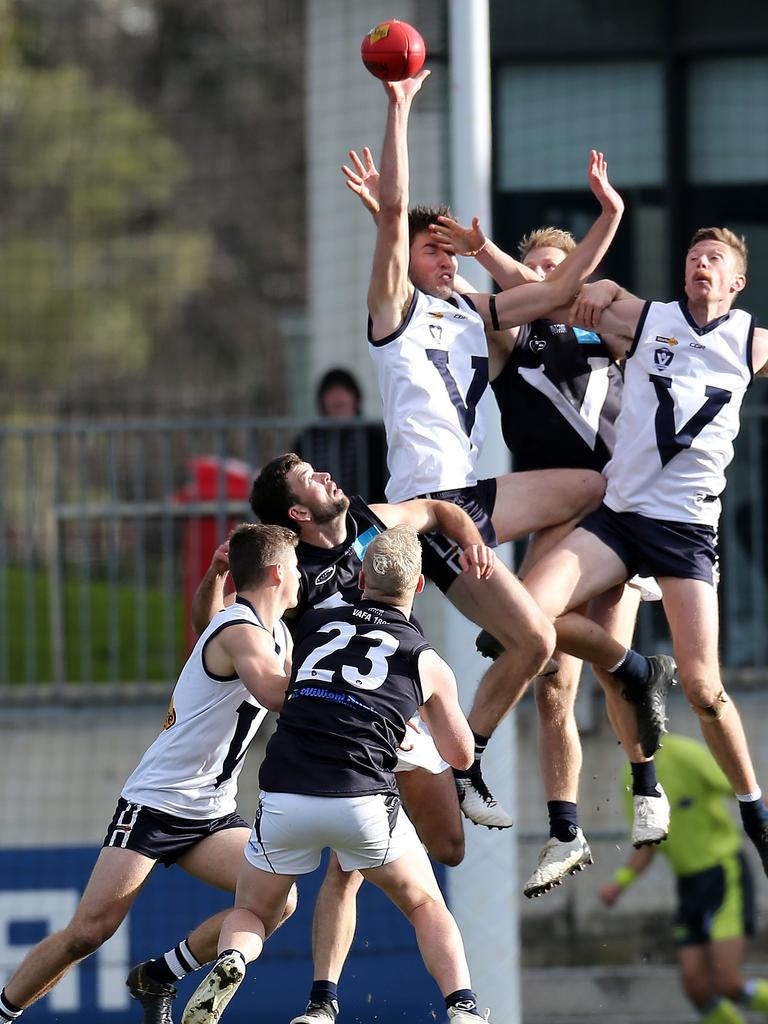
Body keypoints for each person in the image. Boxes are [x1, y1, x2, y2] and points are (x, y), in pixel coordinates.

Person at [344, 131, 672, 896]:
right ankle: (474, 764)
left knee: (594, 495)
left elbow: (559, 294)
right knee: (533, 645)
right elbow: (395, 220)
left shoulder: (476, 312)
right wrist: (400, 104)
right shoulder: (394, 313)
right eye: (434, 251)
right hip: (431, 509)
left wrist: (612, 215)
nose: (446, 260)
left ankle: (622, 718)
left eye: (449, 252)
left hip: (476, 495)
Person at [188, 452, 497, 1024]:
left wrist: (472, 535)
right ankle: (460, 1007)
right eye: (308, 476)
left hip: (301, 769)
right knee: (414, 893)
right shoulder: (292, 577)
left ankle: (252, 966)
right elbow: (223, 621)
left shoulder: (363, 523)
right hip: (372, 748)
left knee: (258, 908)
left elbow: (435, 509)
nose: (326, 473)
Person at [425, 214, 670, 896]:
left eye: (553, 265)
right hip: (556, 509)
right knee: (554, 677)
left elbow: (627, 321)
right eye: (529, 266)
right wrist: (470, 254)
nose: (538, 275)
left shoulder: (609, 327)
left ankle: (646, 786)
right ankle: (566, 831)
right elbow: (502, 301)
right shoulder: (512, 334)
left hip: (618, 513)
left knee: (597, 669)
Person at [522, 226, 768, 873]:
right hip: (622, 517)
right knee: (523, 615)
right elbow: (567, 293)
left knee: (703, 685)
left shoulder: (748, 341)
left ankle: (754, 808)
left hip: (685, 531)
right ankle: (634, 672)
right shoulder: (649, 318)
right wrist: (594, 284)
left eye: (712, 259)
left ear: (736, 282)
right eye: (691, 258)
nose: (699, 266)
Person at [0, 524, 301, 1024]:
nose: (299, 576)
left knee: (277, 901)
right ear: (274, 573)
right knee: (89, 931)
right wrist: (342, 684)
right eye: (293, 567)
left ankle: (159, 974)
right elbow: (276, 693)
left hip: (211, 811)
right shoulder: (240, 630)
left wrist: (211, 576)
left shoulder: (273, 632)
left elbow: (204, 622)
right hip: (157, 803)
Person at [600, 733, 768, 1024]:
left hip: (722, 874)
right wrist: (620, 883)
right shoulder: (630, 778)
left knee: (728, 983)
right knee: (697, 986)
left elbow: (747, 792)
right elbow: (647, 843)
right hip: (688, 885)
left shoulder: (687, 754)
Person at [294, 367, 388, 502]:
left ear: (355, 398)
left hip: (370, 509)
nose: (338, 396)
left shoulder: (374, 437)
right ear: (322, 401)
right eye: (331, 391)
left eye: (344, 390)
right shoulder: (308, 440)